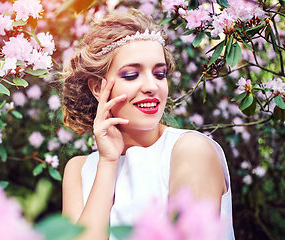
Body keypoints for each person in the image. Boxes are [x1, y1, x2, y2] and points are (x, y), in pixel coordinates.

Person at [61, 9, 235, 240]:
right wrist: (108, 161)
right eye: (131, 75)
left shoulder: (190, 151)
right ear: (97, 88)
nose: (151, 86)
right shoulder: (79, 170)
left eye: (159, 74)